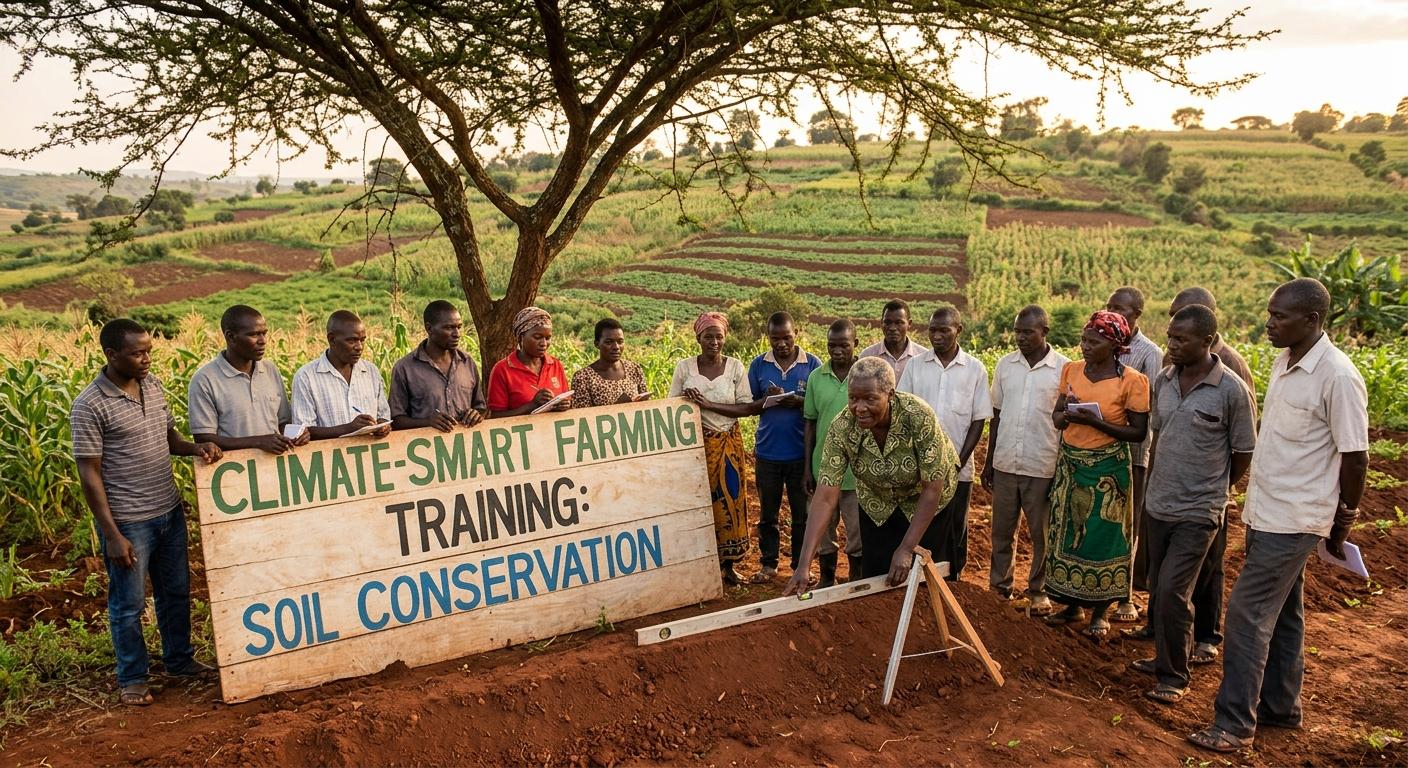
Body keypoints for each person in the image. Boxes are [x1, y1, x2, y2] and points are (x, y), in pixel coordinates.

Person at [1190, 279, 1368, 754]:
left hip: (1295, 519)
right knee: (1285, 614)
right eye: (1269, 313)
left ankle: (1233, 725)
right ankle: (1281, 708)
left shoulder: (1337, 375)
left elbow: (1355, 457)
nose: (1269, 323)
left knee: (1246, 614)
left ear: (1311, 320)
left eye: (1279, 316)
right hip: (1267, 511)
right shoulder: (1285, 360)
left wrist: (1343, 520)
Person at [71, 319, 223, 707]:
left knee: (176, 592)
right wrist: (112, 534)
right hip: (129, 521)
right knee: (129, 605)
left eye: (149, 351)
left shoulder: (152, 386)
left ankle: (179, 660)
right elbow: (89, 473)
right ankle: (133, 678)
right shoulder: (89, 405)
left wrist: (196, 448)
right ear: (111, 354)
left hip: (168, 510)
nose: (146, 359)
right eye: (137, 353)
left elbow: (169, 438)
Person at [1130, 305, 1256, 706]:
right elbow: (1160, 436)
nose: (1171, 345)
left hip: (1199, 512)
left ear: (1207, 341)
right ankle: (1165, 657)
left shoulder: (1231, 390)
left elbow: (1243, 451)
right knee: (1158, 586)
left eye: (1181, 339)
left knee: (1172, 590)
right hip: (1158, 503)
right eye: (1170, 337)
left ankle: (1174, 676)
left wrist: (1215, 489)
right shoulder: (1164, 380)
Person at [783, 356, 959, 596]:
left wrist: (907, 548)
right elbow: (825, 497)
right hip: (878, 503)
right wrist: (804, 565)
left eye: (870, 399)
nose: (860, 407)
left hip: (927, 502)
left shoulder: (918, 416)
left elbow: (932, 488)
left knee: (928, 583)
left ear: (890, 395)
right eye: (853, 398)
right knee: (878, 581)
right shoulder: (842, 427)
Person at [1043, 310, 1150, 639]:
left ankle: (1101, 612)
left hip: (1108, 469)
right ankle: (1071, 605)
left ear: (1114, 345)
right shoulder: (1072, 370)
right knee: (1069, 532)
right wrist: (1065, 416)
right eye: (1084, 340)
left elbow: (1138, 433)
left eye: (1093, 342)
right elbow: (1057, 415)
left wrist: (1096, 422)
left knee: (1104, 535)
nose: (1085, 346)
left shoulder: (1131, 381)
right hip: (1072, 466)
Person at [981, 305, 1068, 613]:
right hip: (1006, 462)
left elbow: (1067, 423)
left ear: (1044, 332)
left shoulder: (1064, 369)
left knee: (1041, 534)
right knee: (1001, 532)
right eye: (1017, 331)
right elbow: (996, 415)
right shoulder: (1006, 365)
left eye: (1028, 332)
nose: (1020, 337)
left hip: (1042, 464)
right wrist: (989, 461)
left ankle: (1038, 590)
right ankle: (999, 587)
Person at [897, 306, 991, 580]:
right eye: (932, 330)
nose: (937, 336)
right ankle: (918, 582)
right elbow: (903, 411)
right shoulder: (916, 366)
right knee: (921, 525)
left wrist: (958, 460)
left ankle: (953, 581)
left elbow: (978, 420)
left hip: (959, 468)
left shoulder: (974, 369)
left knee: (954, 528)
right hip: (919, 468)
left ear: (958, 330)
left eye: (944, 330)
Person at [670, 312, 756, 585]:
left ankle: (728, 565)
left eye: (719, 336)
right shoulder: (685, 368)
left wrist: (707, 404)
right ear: (698, 338)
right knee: (701, 501)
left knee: (731, 499)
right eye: (708, 336)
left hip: (729, 442)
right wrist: (687, 401)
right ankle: (702, 565)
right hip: (697, 445)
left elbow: (745, 407)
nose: (714, 342)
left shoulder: (735, 367)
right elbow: (672, 407)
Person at [748, 312, 822, 583]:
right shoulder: (759, 365)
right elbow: (750, 404)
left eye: (786, 338)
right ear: (768, 337)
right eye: (775, 338)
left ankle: (801, 566)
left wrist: (799, 402)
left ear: (796, 333)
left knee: (802, 515)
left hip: (800, 454)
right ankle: (768, 564)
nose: (781, 344)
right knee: (768, 514)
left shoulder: (812, 364)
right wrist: (766, 399)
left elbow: (819, 405)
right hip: (767, 453)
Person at [1105, 286, 1161, 623]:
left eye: (1121, 309)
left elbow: (1151, 406)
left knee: (1129, 524)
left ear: (1137, 314)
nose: (1113, 313)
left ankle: (1124, 596)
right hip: (1100, 451)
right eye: (1110, 306)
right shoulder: (1103, 342)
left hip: (1133, 453)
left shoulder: (1149, 353)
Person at [189, 304, 308, 453]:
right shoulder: (205, 380)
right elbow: (203, 438)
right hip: (235, 466)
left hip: (275, 464)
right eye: (254, 335)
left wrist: (297, 434)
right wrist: (258, 442)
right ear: (230, 337)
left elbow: (283, 423)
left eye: (264, 333)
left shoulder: (270, 370)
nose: (262, 340)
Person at [803, 319, 863, 586]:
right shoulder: (817, 377)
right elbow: (810, 423)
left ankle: (855, 580)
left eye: (843, 345)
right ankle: (827, 579)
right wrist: (808, 468)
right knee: (824, 529)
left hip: (857, 471)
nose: (837, 351)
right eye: (832, 345)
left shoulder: (865, 376)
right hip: (824, 469)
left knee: (857, 530)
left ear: (855, 344)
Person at [291, 310, 392, 440]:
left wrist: (383, 426)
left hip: (370, 452)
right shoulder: (306, 377)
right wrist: (349, 428)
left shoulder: (371, 371)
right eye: (352, 341)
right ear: (332, 339)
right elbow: (303, 431)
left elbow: (383, 415)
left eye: (362, 340)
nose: (359, 347)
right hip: (329, 453)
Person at [389, 300, 486, 432]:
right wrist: (427, 422)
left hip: (466, 443)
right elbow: (396, 420)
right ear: (429, 328)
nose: (457, 334)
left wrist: (476, 414)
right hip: (424, 444)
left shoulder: (467, 363)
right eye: (449, 328)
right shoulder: (405, 368)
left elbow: (481, 407)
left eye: (459, 327)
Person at [487, 306, 571, 416]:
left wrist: (564, 405)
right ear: (521, 337)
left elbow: (567, 400)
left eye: (547, 338)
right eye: (537, 337)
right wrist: (532, 405)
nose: (544, 343)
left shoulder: (555, 365)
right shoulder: (502, 370)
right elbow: (495, 416)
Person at [571, 317, 649, 408]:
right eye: (609, 342)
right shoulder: (583, 378)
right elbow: (581, 414)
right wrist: (614, 409)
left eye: (620, 342)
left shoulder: (634, 369)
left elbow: (645, 406)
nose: (616, 347)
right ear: (597, 344)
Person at [860, 299, 927, 380]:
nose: (892, 328)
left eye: (899, 323)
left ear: (909, 324)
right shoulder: (867, 357)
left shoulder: (924, 357)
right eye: (887, 322)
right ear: (881, 323)